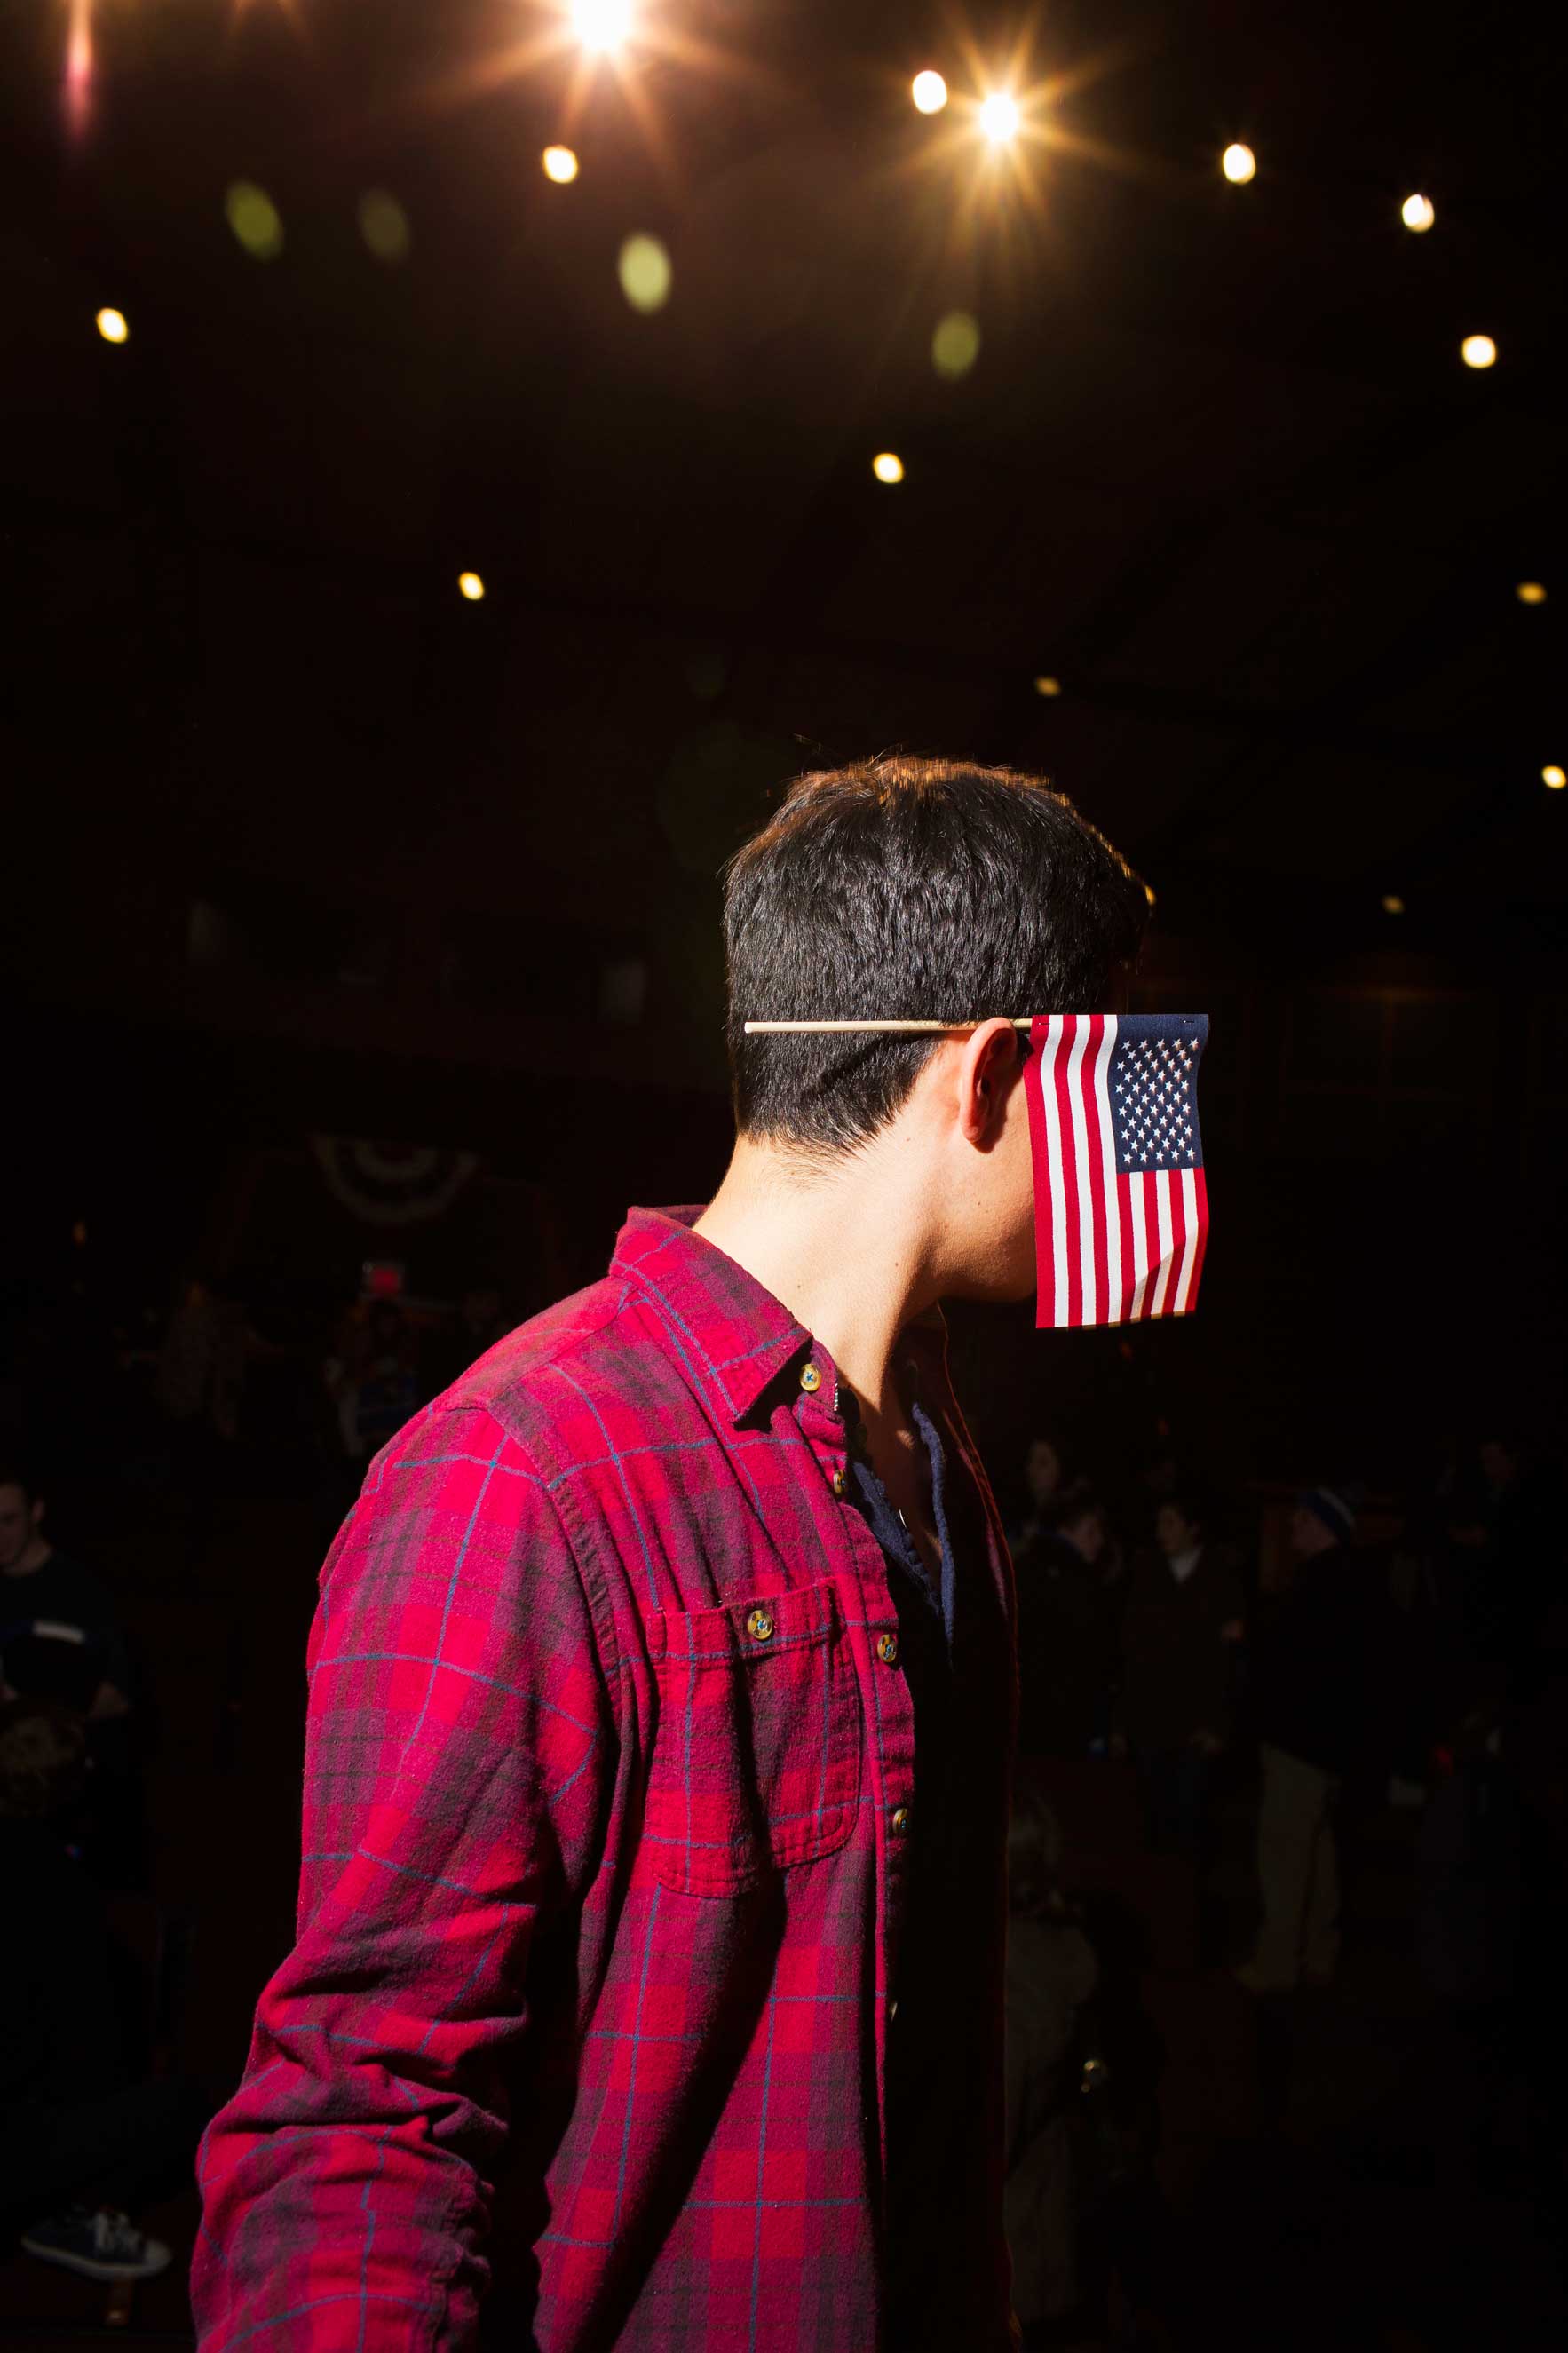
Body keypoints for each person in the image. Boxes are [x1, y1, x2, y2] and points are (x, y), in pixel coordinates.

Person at [193, 755, 1152, 2350]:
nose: (1138, 1146)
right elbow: (362, 2129)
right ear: (985, 1082)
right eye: (1110, 1084)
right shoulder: (520, 1476)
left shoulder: (934, 1455)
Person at [0, 1698, 204, 2282]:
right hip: (21, 2144)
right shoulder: (60, 1889)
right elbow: (88, 2052)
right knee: (189, 2106)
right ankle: (65, 2216)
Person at [1236, 1485, 1367, 1994]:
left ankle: (1277, 1964)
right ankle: (1319, 1954)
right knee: (1319, 1853)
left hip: (1301, 1743)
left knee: (1285, 1856)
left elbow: (1295, 1665)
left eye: (1301, 1519)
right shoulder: (1350, 1583)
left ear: (1322, 1525)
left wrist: (1252, 1640)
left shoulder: (1320, 1587)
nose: (1292, 1526)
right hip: (1329, 1746)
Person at [1003, 1775, 1098, 2347]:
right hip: (1039, 2246)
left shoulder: (1013, 1986)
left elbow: (992, 2139)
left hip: (1013, 2266)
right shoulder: (1052, 1958)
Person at [1118, 1495, 1244, 1863]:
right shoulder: (1147, 1574)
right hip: (1150, 1722)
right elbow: (1132, 1654)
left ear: (1193, 1527)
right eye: (1159, 1523)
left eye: (1171, 1523)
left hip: (1195, 1728)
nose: (1162, 1532)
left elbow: (1229, 1663)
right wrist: (1123, 1719)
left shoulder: (1219, 1580)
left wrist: (1219, 1725)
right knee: (1150, 1827)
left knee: (1188, 1830)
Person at [0, 1462, 131, 1723]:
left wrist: (29, 1710)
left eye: (8, 1521)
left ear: (36, 1512)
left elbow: (118, 1697)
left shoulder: (83, 1588)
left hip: (59, 1752)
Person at [1016, 1484, 1121, 1760]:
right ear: (1066, 1530)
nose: (1098, 1541)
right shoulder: (1074, 1582)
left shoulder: (1029, 1568)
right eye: (1090, 1532)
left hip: (1035, 1719)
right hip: (1065, 1720)